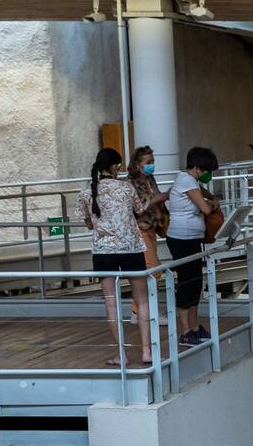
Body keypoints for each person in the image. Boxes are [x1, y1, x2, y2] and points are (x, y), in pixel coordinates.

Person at [80, 148, 164, 366]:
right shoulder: (126, 188)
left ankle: (122, 354)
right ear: (115, 167)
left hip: (103, 252)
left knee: (111, 305)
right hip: (131, 248)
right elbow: (139, 210)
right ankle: (146, 351)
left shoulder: (87, 191)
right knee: (142, 300)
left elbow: (89, 223)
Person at [166, 147, 220, 347]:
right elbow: (205, 209)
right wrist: (213, 204)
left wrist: (210, 196)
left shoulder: (190, 180)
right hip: (182, 239)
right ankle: (186, 331)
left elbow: (201, 192)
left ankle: (195, 327)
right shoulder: (187, 181)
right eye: (207, 170)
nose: (208, 174)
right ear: (197, 167)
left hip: (191, 239)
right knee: (186, 284)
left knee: (196, 283)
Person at [127, 146, 169, 286]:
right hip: (140, 230)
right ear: (137, 165)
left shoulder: (151, 180)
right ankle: (145, 300)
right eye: (148, 162)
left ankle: (146, 299)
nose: (152, 165)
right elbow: (136, 208)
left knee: (151, 268)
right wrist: (158, 198)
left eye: (153, 161)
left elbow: (156, 197)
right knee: (153, 269)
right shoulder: (130, 183)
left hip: (152, 228)